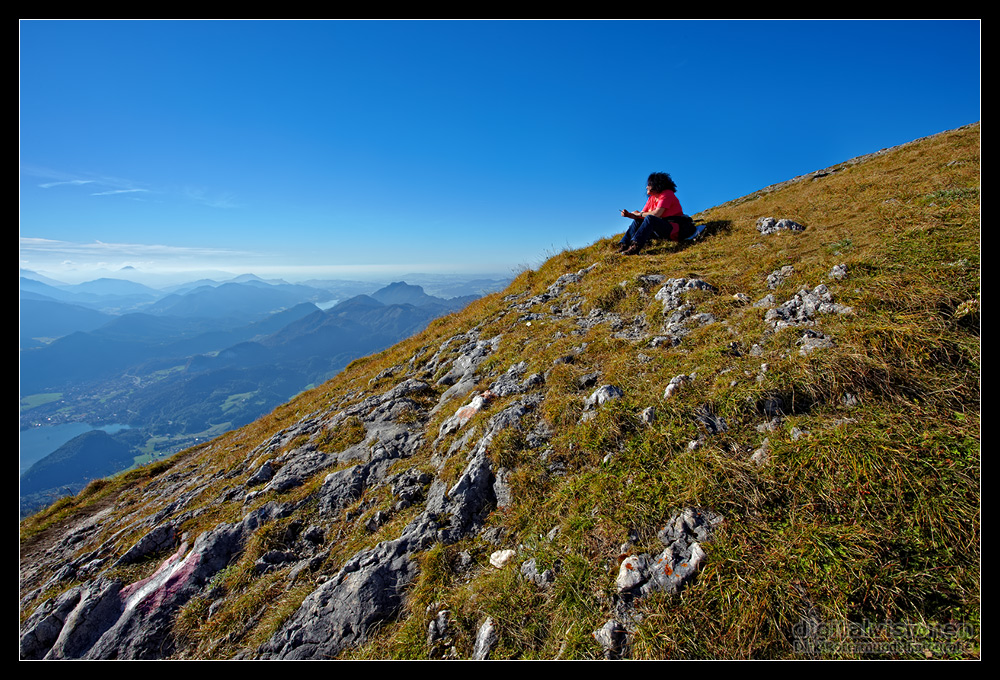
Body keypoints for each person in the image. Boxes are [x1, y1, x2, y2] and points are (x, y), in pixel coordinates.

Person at [616, 172, 694, 255]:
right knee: (639, 220)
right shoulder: (652, 198)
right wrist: (629, 215)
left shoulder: (667, 194)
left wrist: (639, 214)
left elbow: (657, 214)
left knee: (650, 218)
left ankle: (636, 246)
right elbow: (642, 215)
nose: (646, 187)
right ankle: (624, 245)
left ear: (656, 185)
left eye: (649, 184)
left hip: (675, 229)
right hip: (662, 228)